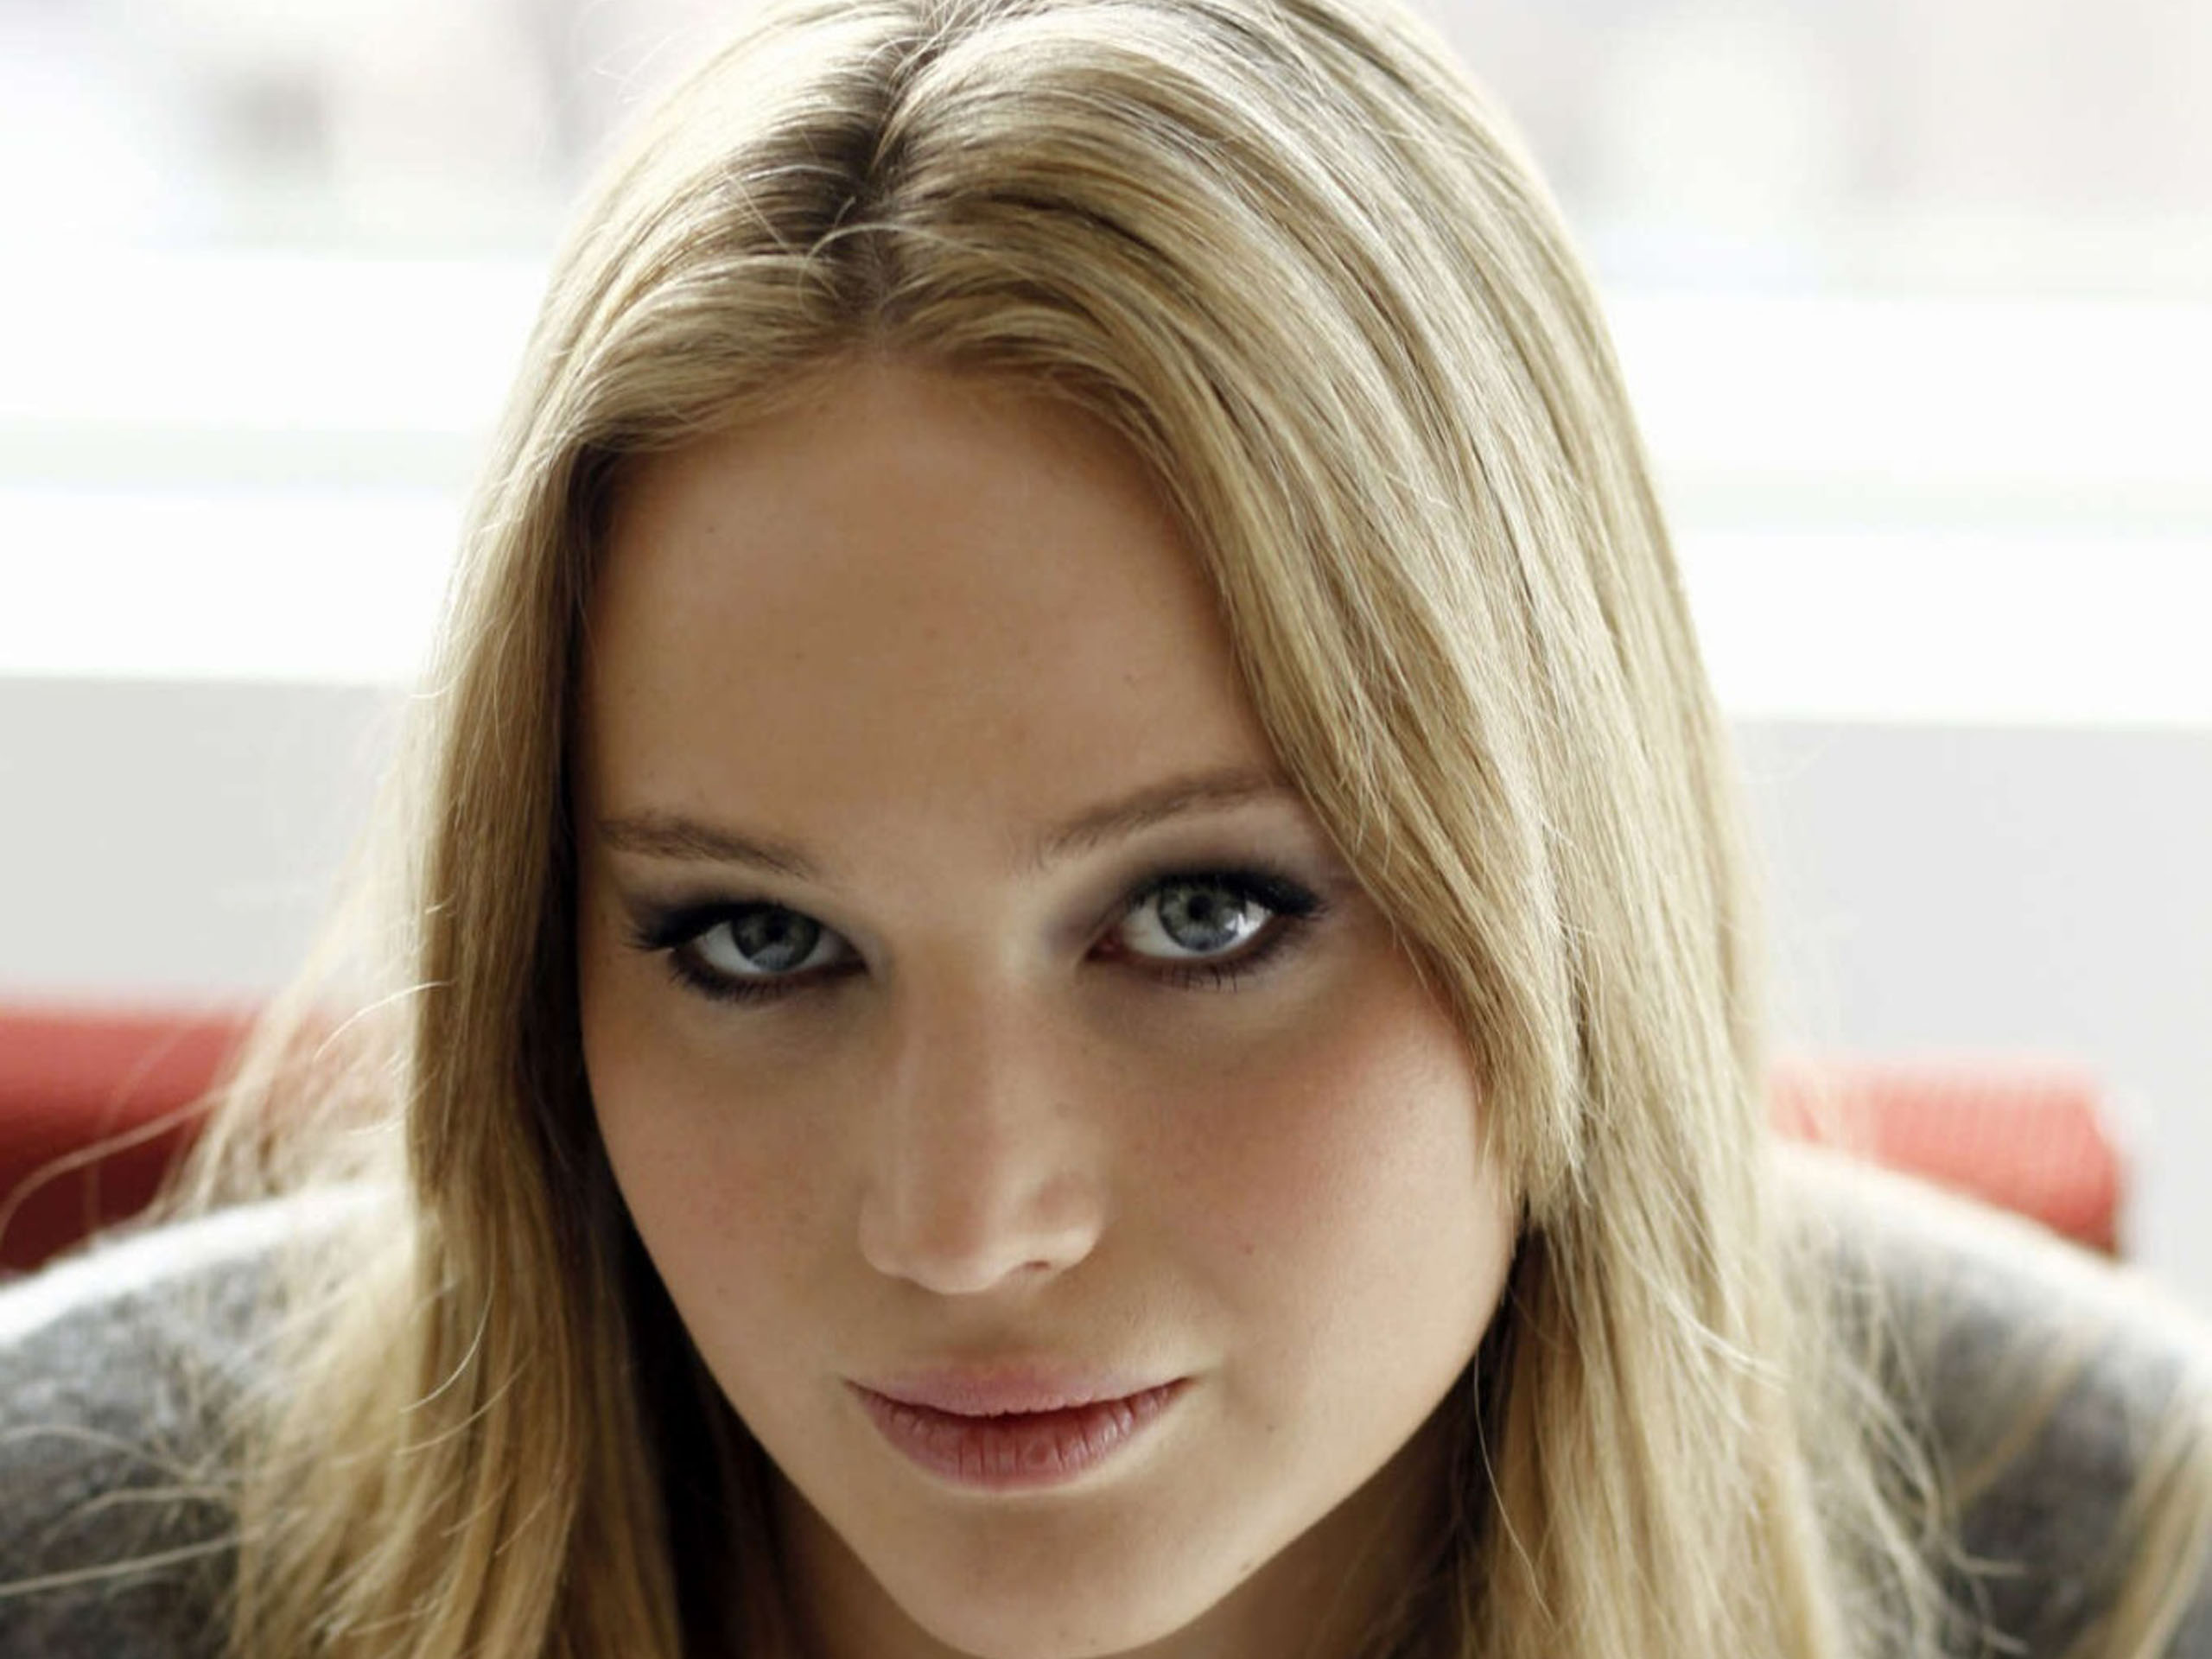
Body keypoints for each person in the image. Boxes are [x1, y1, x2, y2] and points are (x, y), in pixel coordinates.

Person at [3, 0, 2209, 1655]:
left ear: (1567, 896)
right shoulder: (68, 1566)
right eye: (756, 942)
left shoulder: (2121, 1577)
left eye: (1201, 914)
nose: (965, 1227)